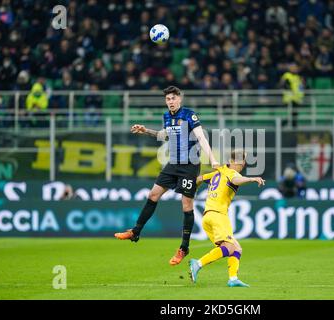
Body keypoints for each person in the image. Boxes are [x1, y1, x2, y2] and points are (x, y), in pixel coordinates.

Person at [115, 86, 219, 266]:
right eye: (167, 99)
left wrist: (214, 160)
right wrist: (146, 130)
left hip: (189, 165)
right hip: (173, 164)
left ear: (180, 98)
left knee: (186, 205)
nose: (170, 102)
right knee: (153, 195)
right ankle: (136, 231)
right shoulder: (166, 116)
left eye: (172, 98)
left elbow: (202, 138)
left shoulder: (189, 115)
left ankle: (184, 248)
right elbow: (166, 136)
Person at [188, 150, 265, 287]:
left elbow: (199, 179)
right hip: (218, 215)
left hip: (208, 216)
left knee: (236, 248)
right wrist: (251, 179)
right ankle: (198, 263)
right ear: (233, 161)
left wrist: (193, 191)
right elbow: (236, 180)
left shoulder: (218, 172)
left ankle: (233, 278)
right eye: (242, 160)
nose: (243, 163)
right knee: (229, 247)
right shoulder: (232, 173)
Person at [279, 62, 304, 128]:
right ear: (289, 68)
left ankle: (292, 125)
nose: (295, 69)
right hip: (289, 98)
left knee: (295, 113)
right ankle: (284, 124)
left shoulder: (298, 77)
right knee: (291, 113)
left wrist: (301, 96)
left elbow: (300, 87)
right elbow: (283, 84)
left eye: (296, 68)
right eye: (293, 67)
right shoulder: (286, 75)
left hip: (296, 98)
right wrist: (288, 87)